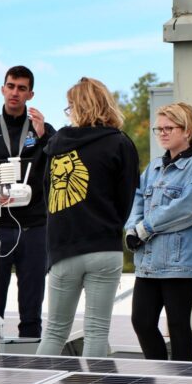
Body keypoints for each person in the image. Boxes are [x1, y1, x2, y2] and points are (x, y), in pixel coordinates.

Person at [36, 77, 139, 357]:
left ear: (78, 107)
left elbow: (48, 195)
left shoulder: (57, 144)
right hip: (104, 246)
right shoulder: (120, 143)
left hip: (63, 246)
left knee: (55, 331)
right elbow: (127, 198)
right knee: (96, 331)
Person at [0, 66, 55, 339]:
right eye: (11, 86)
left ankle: (32, 368)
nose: (15, 92)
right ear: (3, 89)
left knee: (32, 308)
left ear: (31, 94)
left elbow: (60, 171)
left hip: (35, 229)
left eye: (21, 88)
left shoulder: (45, 130)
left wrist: (46, 138)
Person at [124, 102, 192, 361]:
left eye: (169, 128)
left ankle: (183, 383)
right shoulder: (153, 167)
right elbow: (137, 199)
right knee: (141, 320)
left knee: (177, 324)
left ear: (187, 130)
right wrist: (132, 228)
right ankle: (159, 374)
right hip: (149, 259)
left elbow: (187, 208)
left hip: (181, 260)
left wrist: (144, 228)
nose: (162, 133)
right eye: (158, 129)